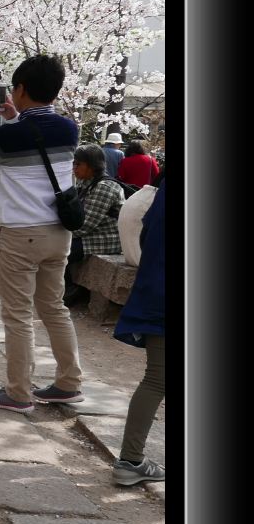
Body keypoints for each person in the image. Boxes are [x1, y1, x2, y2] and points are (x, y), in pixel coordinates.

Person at [0, 54, 83, 412]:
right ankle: (68, 383)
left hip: (21, 235)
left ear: (21, 89)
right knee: (54, 308)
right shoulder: (70, 128)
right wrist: (15, 116)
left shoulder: (10, 136)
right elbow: (35, 142)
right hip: (59, 232)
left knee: (18, 314)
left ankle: (18, 392)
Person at [111, 180, 166, 486]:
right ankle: (131, 459)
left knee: (157, 378)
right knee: (158, 379)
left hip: (157, 288)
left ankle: (131, 459)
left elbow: (145, 232)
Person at [62, 144, 124, 306]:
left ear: (92, 165)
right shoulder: (85, 183)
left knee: (61, 251)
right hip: (90, 234)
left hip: (105, 238)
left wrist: (60, 233)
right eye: (73, 163)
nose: (74, 168)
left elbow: (86, 225)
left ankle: (71, 290)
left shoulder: (105, 187)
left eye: (78, 164)